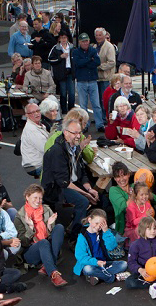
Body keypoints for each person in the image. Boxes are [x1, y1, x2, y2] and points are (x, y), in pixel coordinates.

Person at [42, 111, 99, 239]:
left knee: (99, 197)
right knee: (83, 202)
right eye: (75, 133)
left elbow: (82, 172)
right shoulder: (58, 151)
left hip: (71, 183)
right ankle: (74, 235)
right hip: (56, 188)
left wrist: (90, 189)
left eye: (79, 133)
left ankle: (87, 227)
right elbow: (63, 182)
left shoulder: (75, 147)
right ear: (66, 132)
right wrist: (86, 194)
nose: (78, 136)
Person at [13, 183, 68, 288]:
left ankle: (47, 265)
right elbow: (23, 242)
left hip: (46, 245)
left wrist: (49, 226)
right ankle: (54, 274)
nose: (38, 201)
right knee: (43, 242)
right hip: (31, 251)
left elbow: (53, 237)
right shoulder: (19, 216)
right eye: (35, 197)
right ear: (27, 197)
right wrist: (31, 228)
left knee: (59, 227)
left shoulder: (46, 209)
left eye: (40, 198)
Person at [74, 208, 129, 285]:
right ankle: (113, 277)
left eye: (101, 225)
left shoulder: (104, 232)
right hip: (91, 264)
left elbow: (111, 247)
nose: (98, 227)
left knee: (124, 264)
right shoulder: (82, 237)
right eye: (96, 223)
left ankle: (98, 277)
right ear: (89, 220)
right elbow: (81, 257)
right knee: (87, 269)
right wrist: (96, 262)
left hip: (103, 263)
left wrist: (106, 231)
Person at [72, 33, 104, 131]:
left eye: (86, 41)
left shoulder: (93, 50)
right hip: (81, 81)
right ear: (79, 42)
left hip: (93, 80)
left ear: (89, 41)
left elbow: (97, 62)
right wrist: (89, 59)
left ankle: (100, 124)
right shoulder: (76, 52)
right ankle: (85, 125)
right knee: (83, 106)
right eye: (83, 41)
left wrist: (85, 61)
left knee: (96, 105)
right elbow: (78, 63)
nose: (85, 43)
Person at [49, 30, 76, 114]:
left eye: (65, 37)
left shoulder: (72, 47)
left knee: (72, 93)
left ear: (67, 38)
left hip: (70, 72)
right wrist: (60, 57)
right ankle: (64, 111)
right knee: (63, 93)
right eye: (61, 38)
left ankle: (71, 110)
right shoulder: (56, 48)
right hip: (61, 73)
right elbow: (50, 59)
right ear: (59, 39)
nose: (63, 39)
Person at [94, 27, 116, 99]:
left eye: (100, 35)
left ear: (104, 36)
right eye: (96, 35)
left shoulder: (109, 47)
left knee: (105, 99)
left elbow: (112, 62)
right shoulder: (94, 46)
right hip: (97, 78)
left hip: (106, 79)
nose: (98, 37)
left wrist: (99, 67)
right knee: (98, 99)